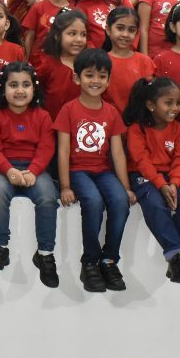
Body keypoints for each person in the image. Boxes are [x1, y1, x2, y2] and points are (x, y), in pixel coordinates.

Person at [54, 49, 136, 293]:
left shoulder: (111, 112)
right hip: (78, 171)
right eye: (89, 75)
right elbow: (63, 151)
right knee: (93, 201)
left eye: (101, 76)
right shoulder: (68, 109)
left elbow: (117, 153)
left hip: (102, 171)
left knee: (120, 201)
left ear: (109, 80)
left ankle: (109, 260)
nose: (96, 81)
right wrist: (65, 186)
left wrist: (126, 187)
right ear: (77, 78)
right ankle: (89, 262)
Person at [0, 62, 60, 287]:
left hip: (34, 168)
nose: (20, 90)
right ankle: (0, 247)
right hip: (2, 168)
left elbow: (46, 148)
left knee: (47, 196)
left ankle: (45, 253)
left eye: (26, 85)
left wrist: (34, 171)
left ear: (34, 88)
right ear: (2, 88)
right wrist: (9, 170)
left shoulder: (43, 116)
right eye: (13, 85)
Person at [125, 77, 180, 285]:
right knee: (155, 203)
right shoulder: (137, 130)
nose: (175, 108)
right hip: (145, 176)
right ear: (151, 105)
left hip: (172, 178)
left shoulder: (179, 129)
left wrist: (174, 183)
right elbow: (141, 161)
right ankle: (179, 256)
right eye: (168, 103)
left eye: (177, 103)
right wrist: (161, 184)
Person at [32, 10, 86, 118]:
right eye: (72, 33)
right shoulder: (46, 66)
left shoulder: (89, 65)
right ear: (57, 35)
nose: (79, 39)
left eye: (83, 34)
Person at [104, 7, 155, 112]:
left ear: (137, 33)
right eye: (120, 28)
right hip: (108, 118)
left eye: (131, 30)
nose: (125, 34)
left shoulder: (144, 61)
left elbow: (151, 95)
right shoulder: (101, 61)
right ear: (108, 29)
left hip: (138, 118)